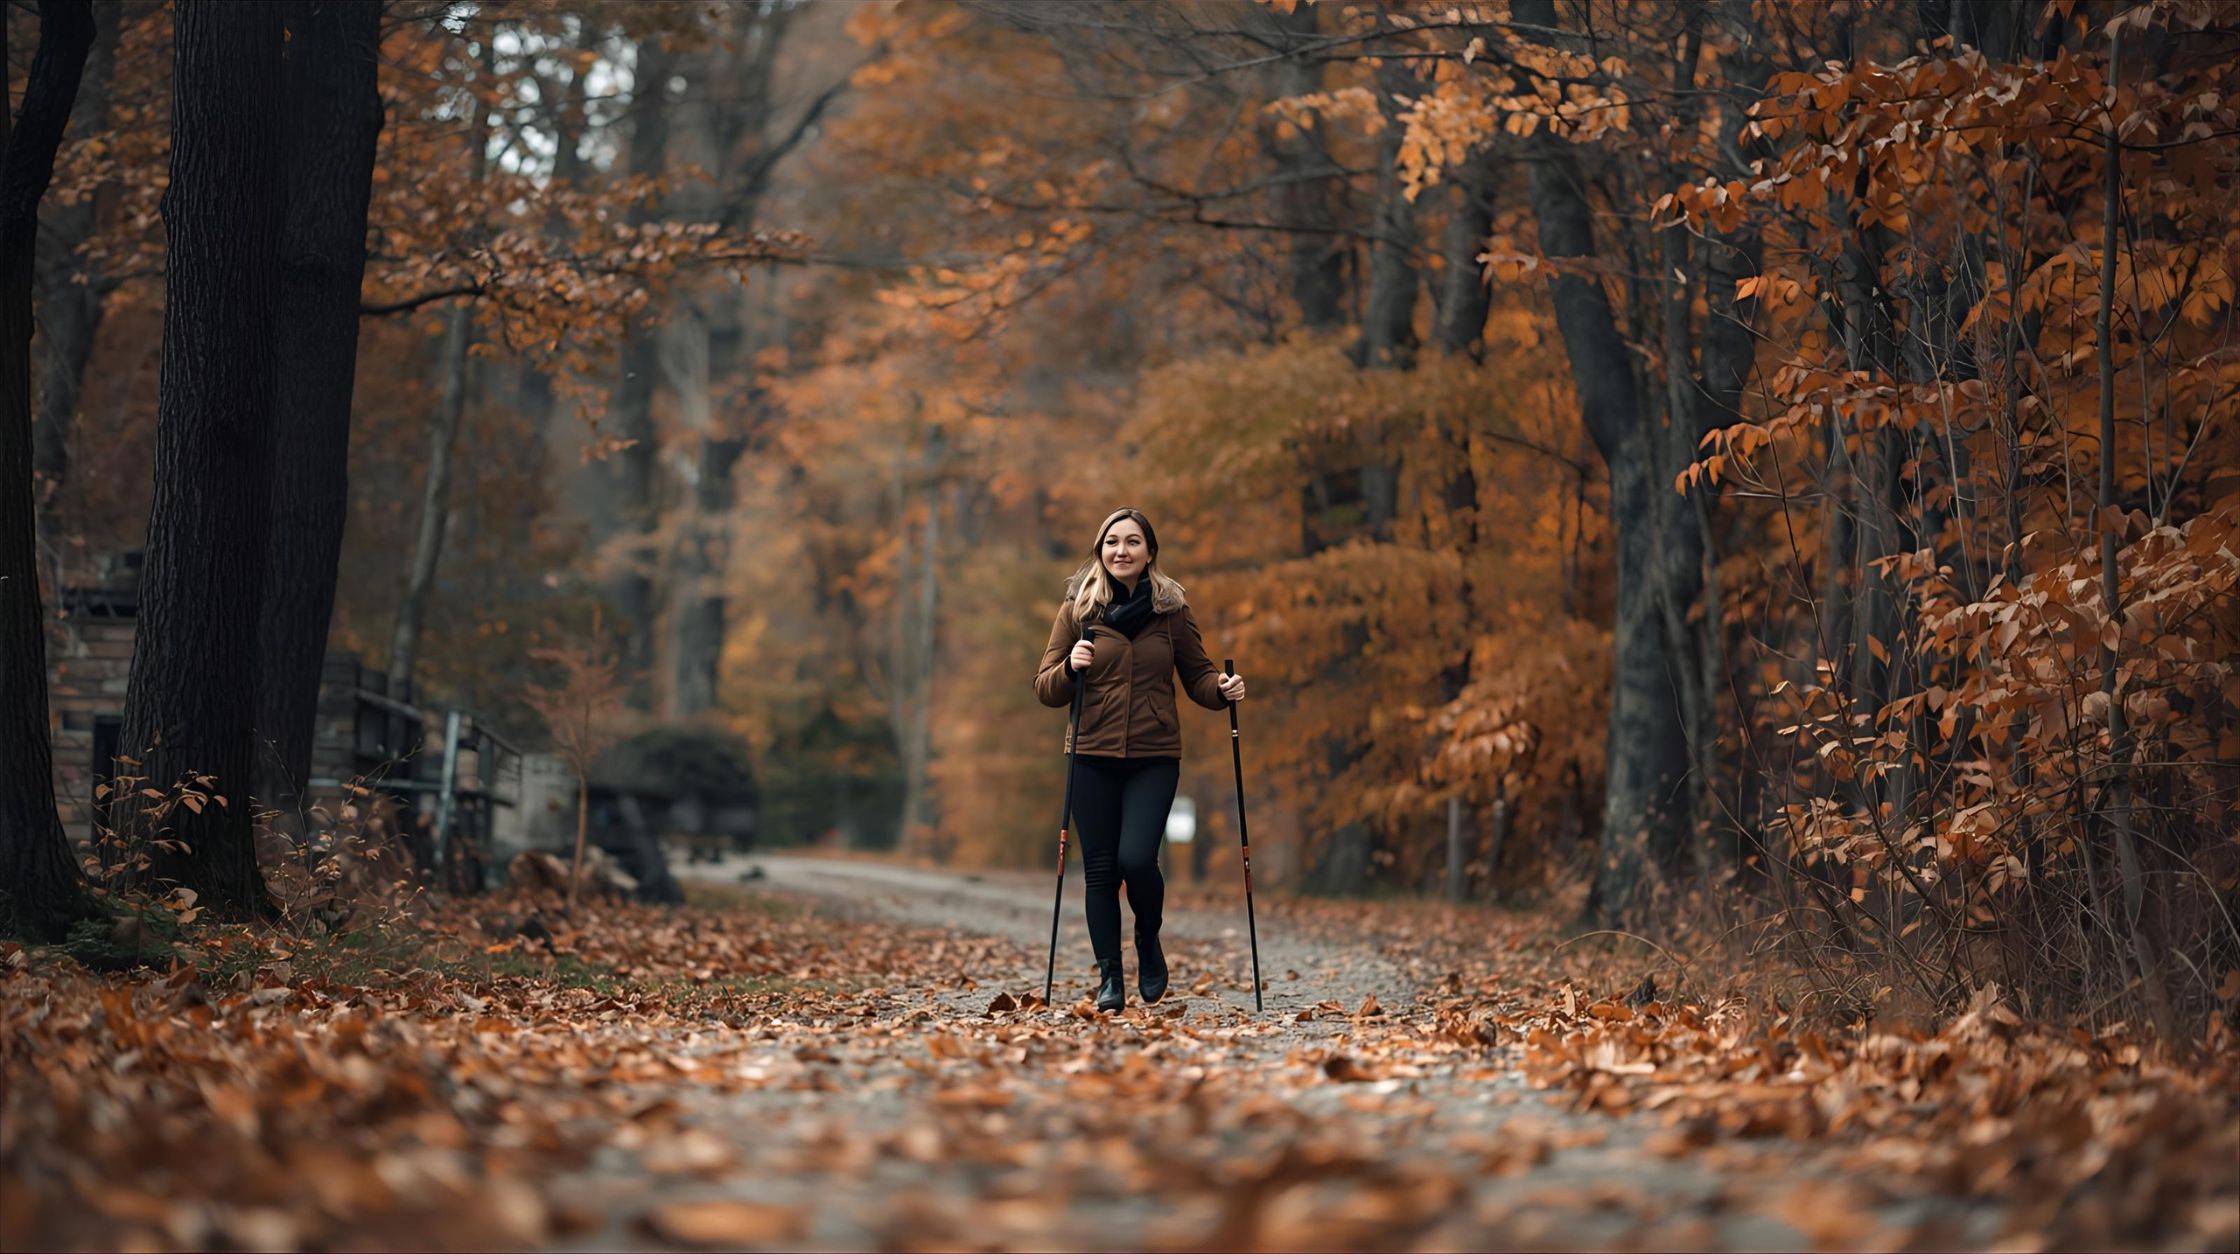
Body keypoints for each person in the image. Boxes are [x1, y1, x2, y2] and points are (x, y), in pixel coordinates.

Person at [1033, 506, 1246, 1013]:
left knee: (1136, 859)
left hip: (1153, 755)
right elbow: (1045, 688)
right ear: (1099, 551)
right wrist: (1070, 666)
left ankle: (1148, 940)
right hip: (1091, 754)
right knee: (1101, 871)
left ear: (1149, 552)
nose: (1121, 551)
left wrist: (1221, 689)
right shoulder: (1078, 611)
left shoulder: (1171, 612)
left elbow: (1198, 676)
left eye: (1132, 542)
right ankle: (1111, 976)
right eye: (1111, 542)